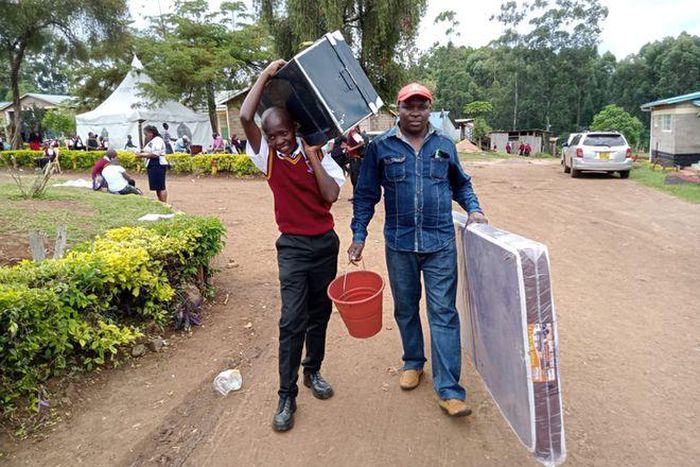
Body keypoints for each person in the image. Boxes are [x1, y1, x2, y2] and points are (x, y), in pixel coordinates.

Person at [348, 82, 487, 418]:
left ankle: (450, 391)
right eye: (409, 106)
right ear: (399, 109)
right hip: (400, 243)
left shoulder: (444, 144)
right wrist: (358, 233)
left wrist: (474, 209)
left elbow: (461, 183)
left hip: (440, 243)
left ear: (430, 109)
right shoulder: (381, 146)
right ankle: (413, 362)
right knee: (406, 309)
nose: (415, 112)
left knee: (443, 313)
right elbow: (366, 194)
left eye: (421, 106)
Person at [240, 59, 345, 433]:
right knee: (291, 320)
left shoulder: (326, 159)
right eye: (272, 136)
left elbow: (330, 195)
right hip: (294, 248)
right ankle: (286, 395)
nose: (278, 141)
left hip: (325, 245)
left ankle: (312, 371)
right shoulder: (266, 158)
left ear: (294, 129)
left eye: (283, 133)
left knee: (320, 314)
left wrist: (313, 154)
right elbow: (245, 116)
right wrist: (265, 76)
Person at [137, 125, 169, 202]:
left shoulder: (158, 140)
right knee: (157, 186)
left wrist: (142, 155)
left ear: (151, 133)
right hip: (153, 164)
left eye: (146, 134)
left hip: (158, 164)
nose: (145, 136)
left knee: (161, 186)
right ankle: (161, 202)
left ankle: (165, 203)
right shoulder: (152, 141)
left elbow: (155, 154)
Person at [344, 126, 365, 200]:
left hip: (356, 159)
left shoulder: (353, 132)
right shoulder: (350, 132)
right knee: (353, 178)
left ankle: (358, 196)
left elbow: (362, 143)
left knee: (355, 178)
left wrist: (351, 149)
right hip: (353, 159)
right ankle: (355, 195)